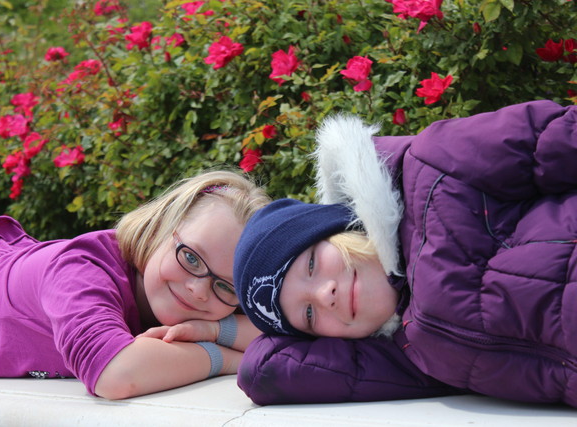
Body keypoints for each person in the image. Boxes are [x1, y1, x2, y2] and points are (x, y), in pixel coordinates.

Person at [233, 100, 577, 407]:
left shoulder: (437, 168)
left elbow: (560, 140)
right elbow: (264, 372)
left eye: (311, 264)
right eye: (308, 314)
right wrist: (222, 332)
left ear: (338, 228)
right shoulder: (408, 354)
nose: (326, 294)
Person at [0, 170, 269, 400]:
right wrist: (232, 361)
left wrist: (213, 330)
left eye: (226, 286)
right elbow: (116, 375)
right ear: (157, 230)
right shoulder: (81, 270)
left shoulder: (180, 296)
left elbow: (281, 333)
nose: (199, 290)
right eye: (191, 258)